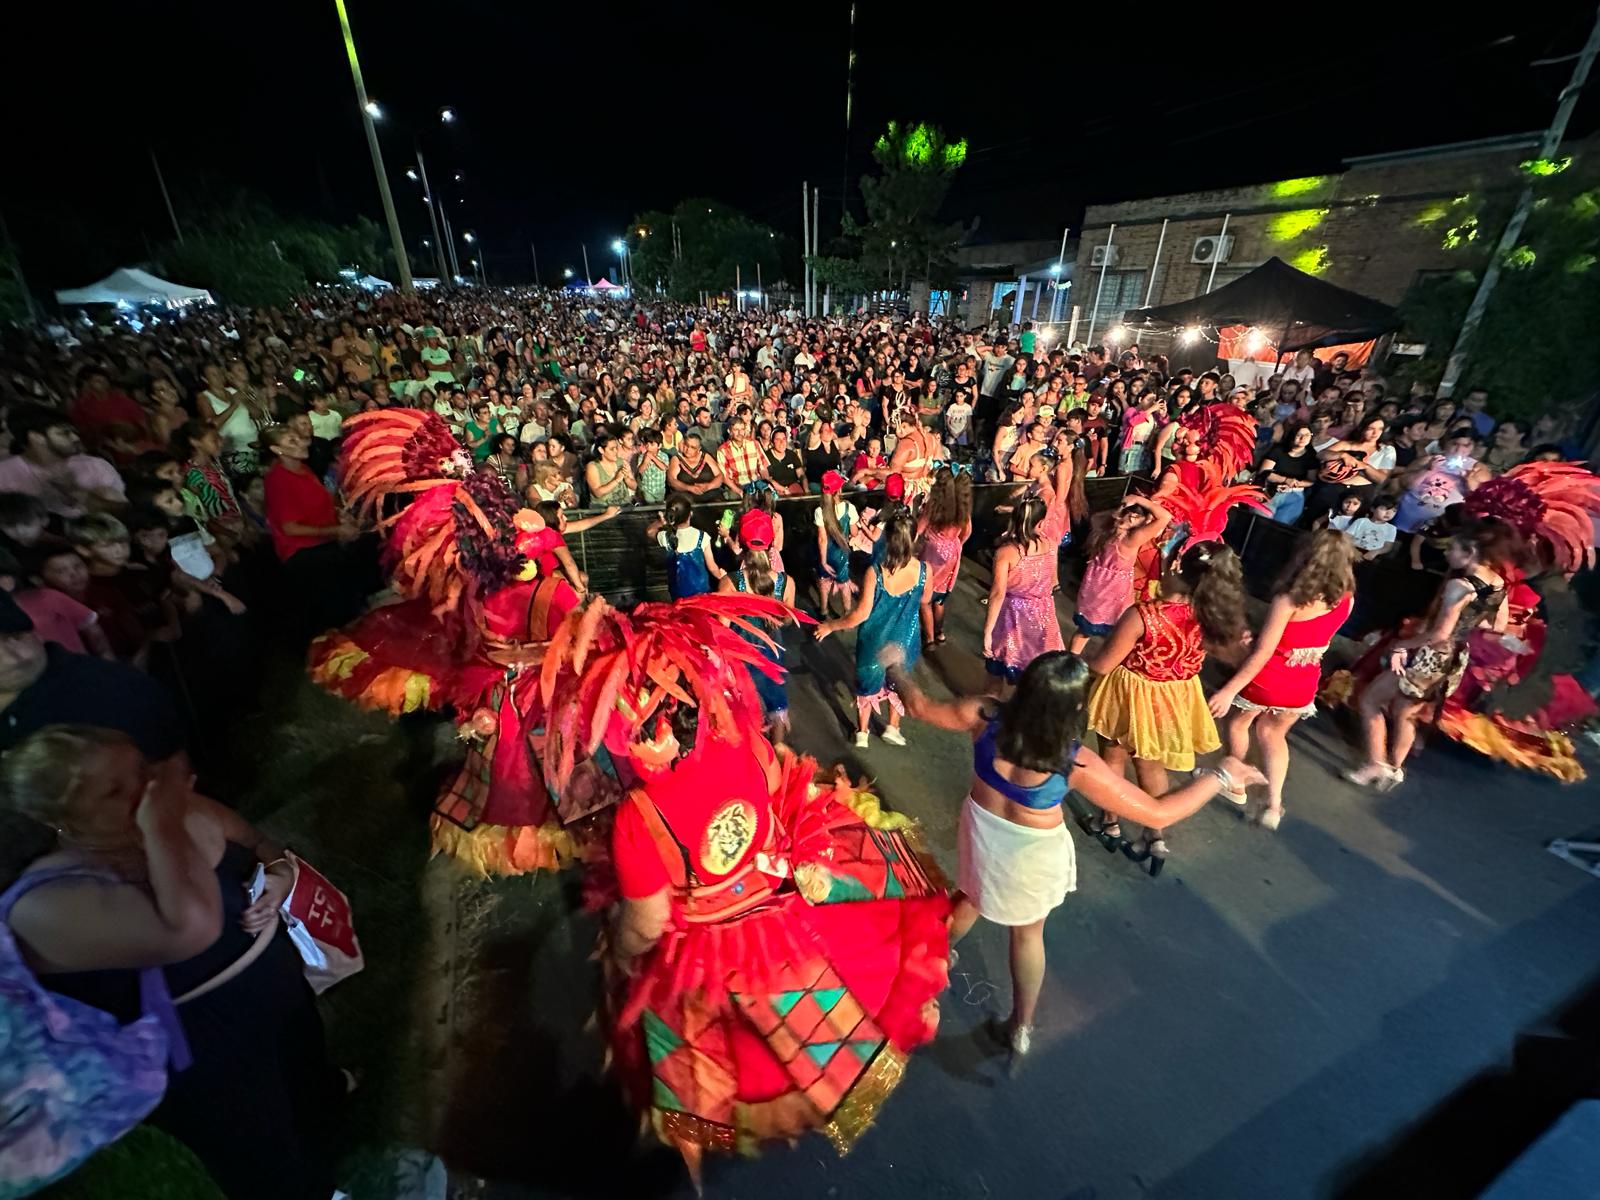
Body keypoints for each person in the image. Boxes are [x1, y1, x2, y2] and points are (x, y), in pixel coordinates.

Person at [3, 726, 345, 1200]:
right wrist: (163, 824)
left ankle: (328, 1117)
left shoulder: (176, 813)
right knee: (260, 1145)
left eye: (142, 770)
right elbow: (189, 928)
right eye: (114, 791)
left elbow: (260, 845)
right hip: (205, 1049)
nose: (145, 791)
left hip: (273, 990)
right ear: (63, 818)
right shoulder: (45, 904)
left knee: (305, 1075)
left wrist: (281, 876)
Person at [891, 652, 1263, 1064]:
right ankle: (1020, 1026)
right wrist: (1221, 776)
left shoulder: (981, 713)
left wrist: (895, 669)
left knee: (972, 893)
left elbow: (918, 706)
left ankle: (932, 959)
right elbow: (1158, 814)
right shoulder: (1074, 762)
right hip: (1030, 855)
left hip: (983, 834)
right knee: (1026, 935)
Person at [1082, 541, 1248, 874]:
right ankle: (1154, 835)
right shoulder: (1211, 618)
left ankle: (1109, 822)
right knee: (1152, 766)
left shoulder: (1143, 615)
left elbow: (1103, 665)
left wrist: (1078, 667)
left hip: (1128, 694)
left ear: (1177, 568)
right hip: (1173, 699)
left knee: (1113, 756)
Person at [1347, 521, 1513, 790]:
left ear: (1470, 552)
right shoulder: (1497, 584)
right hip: (1455, 658)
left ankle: (1376, 763)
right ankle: (1394, 768)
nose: (1447, 553)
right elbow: (1498, 626)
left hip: (1429, 656)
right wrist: (1466, 624)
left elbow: (1439, 634)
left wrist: (1402, 645)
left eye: (1453, 548)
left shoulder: (1459, 586)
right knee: (1405, 712)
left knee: (1370, 701)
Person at [1210, 530, 1358, 827]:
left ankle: (1235, 781)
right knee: (1273, 734)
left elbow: (1264, 651)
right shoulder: (1346, 600)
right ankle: (1273, 805)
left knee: (1239, 722)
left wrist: (1229, 690)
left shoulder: (1289, 599)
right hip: (1303, 679)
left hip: (1269, 676)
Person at [814, 508, 924, 748]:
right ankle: (893, 727)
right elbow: (924, 600)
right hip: (905, 639)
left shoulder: (875, 572)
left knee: (866, 683)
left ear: (887, 538)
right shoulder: (923, 571)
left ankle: (862, 733)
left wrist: (831, 625)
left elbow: (860, 614)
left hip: (875, 639)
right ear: (914, 537)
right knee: (897, 681)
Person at [717, 510, 797, 738]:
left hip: (740, 656)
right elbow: (787, 619)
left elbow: (721, 627)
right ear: (770, 542)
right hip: (772, 653)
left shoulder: (730, 582)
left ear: (741, 543)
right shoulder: (786, 582)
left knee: (744, 706)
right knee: (776, 701)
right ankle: (778, 748)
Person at [1069, 494, 1171, 653]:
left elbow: (1098, 516)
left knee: (1084, 632)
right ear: (1134, 517)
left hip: (1094, 587)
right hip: (1114, 592)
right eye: (1146, 519)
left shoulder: (1103, 527)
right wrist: (1140, 500)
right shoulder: (1132, 539)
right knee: (1117, 635)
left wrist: (1124, 507)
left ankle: (1070, 660)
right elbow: (1165, 517)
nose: (1148, 522)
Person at [982, 499, 1064, 695]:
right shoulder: (1052, 545)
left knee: (996, 675)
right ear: (1040, 523)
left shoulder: (1006, 553)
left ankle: (990, 711)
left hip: (1012, 617)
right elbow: (1052, 582)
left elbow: (997, 593)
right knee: (1036, 672)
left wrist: (988, 632)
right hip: (1044, 616)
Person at [916, 466, 972, 649]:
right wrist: (956, 543)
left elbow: (918, 529)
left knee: (925, 599)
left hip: (932, 553)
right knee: (940, 597)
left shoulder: (933, 506)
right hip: (952, 553)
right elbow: (967, 531)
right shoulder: (963, 507)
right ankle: (939, 632)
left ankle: (929, 638)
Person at [652, 493, 723, 599]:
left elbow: (650, 531)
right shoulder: (702, 537)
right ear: (690, 514)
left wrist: (661, 521)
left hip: (677, 593)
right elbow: (712, 567)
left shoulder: (666, 537)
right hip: (701, 591)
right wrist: (722, 575)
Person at [814, 469, 858, 617]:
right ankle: (847, 612)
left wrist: (823, 561)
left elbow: (822, 539)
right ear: (839, 490)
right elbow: (854, 533)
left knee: (823, 582)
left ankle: (823, 611)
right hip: (841, 554)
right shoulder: (849, 508)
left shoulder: (819, 511)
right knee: (844, 583)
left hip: (826, 554)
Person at [1258, 424, 1318, 525]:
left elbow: (1311, 480)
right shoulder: (1279, 450)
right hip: (1270, 491)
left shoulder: (1311, 455)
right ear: (1292, 435)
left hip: (1294, 495)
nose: (1303, 438)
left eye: (1307, 435)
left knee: (1279, 528)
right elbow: (1264, 472)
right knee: (1260, 523)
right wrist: (1285, 480)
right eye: (1299, 435)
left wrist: (1295, 483)